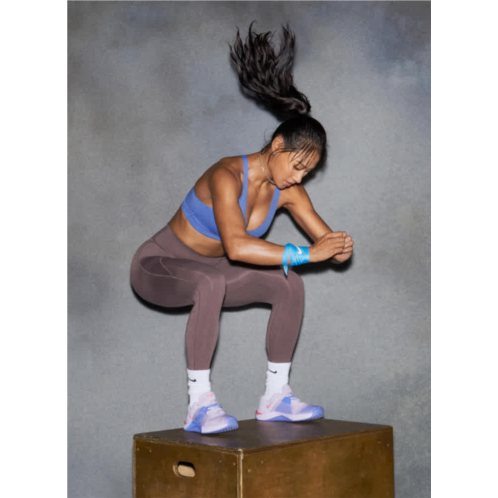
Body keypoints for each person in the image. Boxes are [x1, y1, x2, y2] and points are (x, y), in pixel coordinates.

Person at [130, 22, 354, 434]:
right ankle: (199, 405)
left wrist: (339, 247)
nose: (299, 178)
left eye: (308, 173)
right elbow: (236, 246)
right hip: (159, 266)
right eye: (297, 166)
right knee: (211, 282)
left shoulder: (289, 192)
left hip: (213, 271)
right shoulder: (227, 175)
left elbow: (326, 243)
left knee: (289, 284)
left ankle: (276, 397)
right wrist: (308, 254)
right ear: (277, 147)